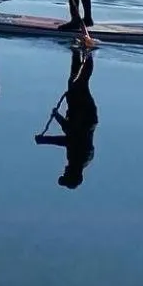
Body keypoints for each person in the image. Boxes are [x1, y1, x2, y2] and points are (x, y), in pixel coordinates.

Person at [35, 46, 98, 188]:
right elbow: (70, 137)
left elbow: (69, 136)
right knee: (80, 83)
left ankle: (77, 52)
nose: (64, 171)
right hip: (84, 115)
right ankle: (88, 52)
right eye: (66, 174)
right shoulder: (79, 159)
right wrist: (46, 139)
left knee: (74, 82)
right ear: (73, 174)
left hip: (82, 115)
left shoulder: (79, 161)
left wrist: (58, 117)